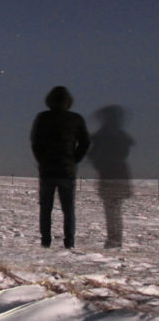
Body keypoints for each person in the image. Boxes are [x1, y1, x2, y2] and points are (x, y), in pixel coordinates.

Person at [30, 86, 90, 249]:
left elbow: (35, 142)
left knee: (46, 208)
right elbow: (85, 142)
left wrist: (42, 160)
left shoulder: (43, 118)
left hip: (48, 170)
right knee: (68, 209)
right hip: (67, 170)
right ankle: (69, 243)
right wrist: (74, 159)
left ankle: (46, 241)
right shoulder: (75, 119)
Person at [88, 105, 134, 249]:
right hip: (119, 175)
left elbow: (95, 156)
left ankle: (113, 240)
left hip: (109, 176)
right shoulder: (121, 136)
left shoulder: (103, 136)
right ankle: (115, 239)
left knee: (112, 210)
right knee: (114, 209)